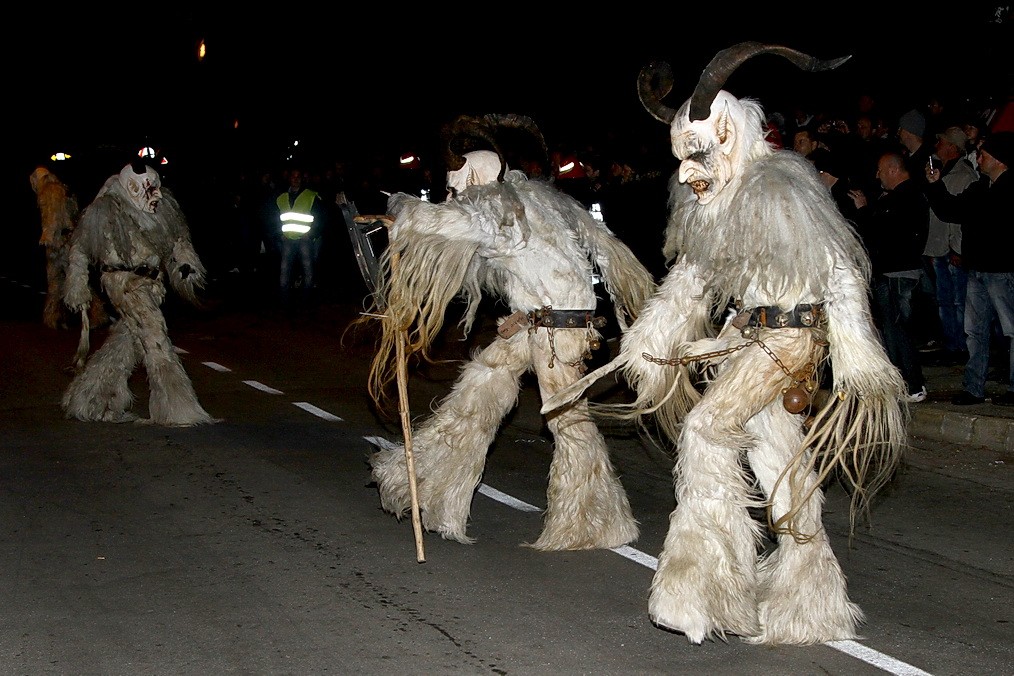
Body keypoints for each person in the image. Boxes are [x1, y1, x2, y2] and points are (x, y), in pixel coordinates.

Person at [544, 43, 906, 646]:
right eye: (681, 158)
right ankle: (809, 598)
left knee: (708, 429)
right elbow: (691, 281)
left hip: (787, 339)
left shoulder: (779, 191)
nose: (688, 173)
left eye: (700, 154)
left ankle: (701, 586)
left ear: (733, 137)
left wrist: (857, 354)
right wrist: (648, 342)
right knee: (776, 461)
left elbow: (839, 266)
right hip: (751, 339)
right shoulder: (711, 207)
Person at [365, 113, 655, 552]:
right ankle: (431, 489)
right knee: (481, 386)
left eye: (458, 186)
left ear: (479, 176)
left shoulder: (502, 208)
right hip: (538, 323)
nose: (453, 196)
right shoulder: (530, 202)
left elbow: (447, 224)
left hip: (558, 332)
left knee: (567, 419)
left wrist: (401, 214)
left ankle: (597, 518)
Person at [61, 161, 217, 426]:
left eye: (155, 187)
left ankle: (89, 399)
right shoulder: (104, 211)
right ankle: (177, 409)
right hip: (124, 282)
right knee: (156, 338)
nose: (154, 194)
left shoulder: (163, 208)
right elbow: (79, 248)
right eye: (147, 189)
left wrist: (185, 263)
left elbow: (178, 240)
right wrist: (77, 284)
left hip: (152, 284)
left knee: (128, 342)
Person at [924, 131, 1014, 405]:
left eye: (984, 154)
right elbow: (952, 209)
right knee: (974, 331)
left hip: (1002, 271)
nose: (978, 158)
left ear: (999, 160)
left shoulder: (1009, 189)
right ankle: (974, 387)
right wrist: (935, 185)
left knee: (1011, 331)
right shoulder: (979, 188)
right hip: (976, 270)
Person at [850, 150, 930, 402]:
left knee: (899, 329)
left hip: (900, 272)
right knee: (891, 328)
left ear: (894, 170)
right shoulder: (895, 198)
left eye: (881, 170)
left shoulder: (908, 196)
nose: (877, 175)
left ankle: (913, 384)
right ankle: (901, 383)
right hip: (890, 271)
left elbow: (884, 231)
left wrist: (864, 211)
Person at [922, 126, 979, 365]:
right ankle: (952, 344)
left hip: (951, 250)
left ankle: (960, 347)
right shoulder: (943, 172)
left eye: (942, 142)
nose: (938, 146)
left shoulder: (965, 176)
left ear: (953, 147)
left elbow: (962, 217)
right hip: (939, 248)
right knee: (946, 302)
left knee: (958, 303)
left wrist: (958, 248)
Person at [275, 167, 327, 309]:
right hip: (287, 239)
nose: (296, 179)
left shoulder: (311, 196)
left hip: (305, 239)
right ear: (289, 178)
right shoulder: (281, 197)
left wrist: (312, 233)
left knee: (308, 271)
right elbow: (274, 218)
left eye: (298, 176)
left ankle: (306, 303)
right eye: (293, 176)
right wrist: (279, 234)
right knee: (284, 272)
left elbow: (322, 217)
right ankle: (284, 305)